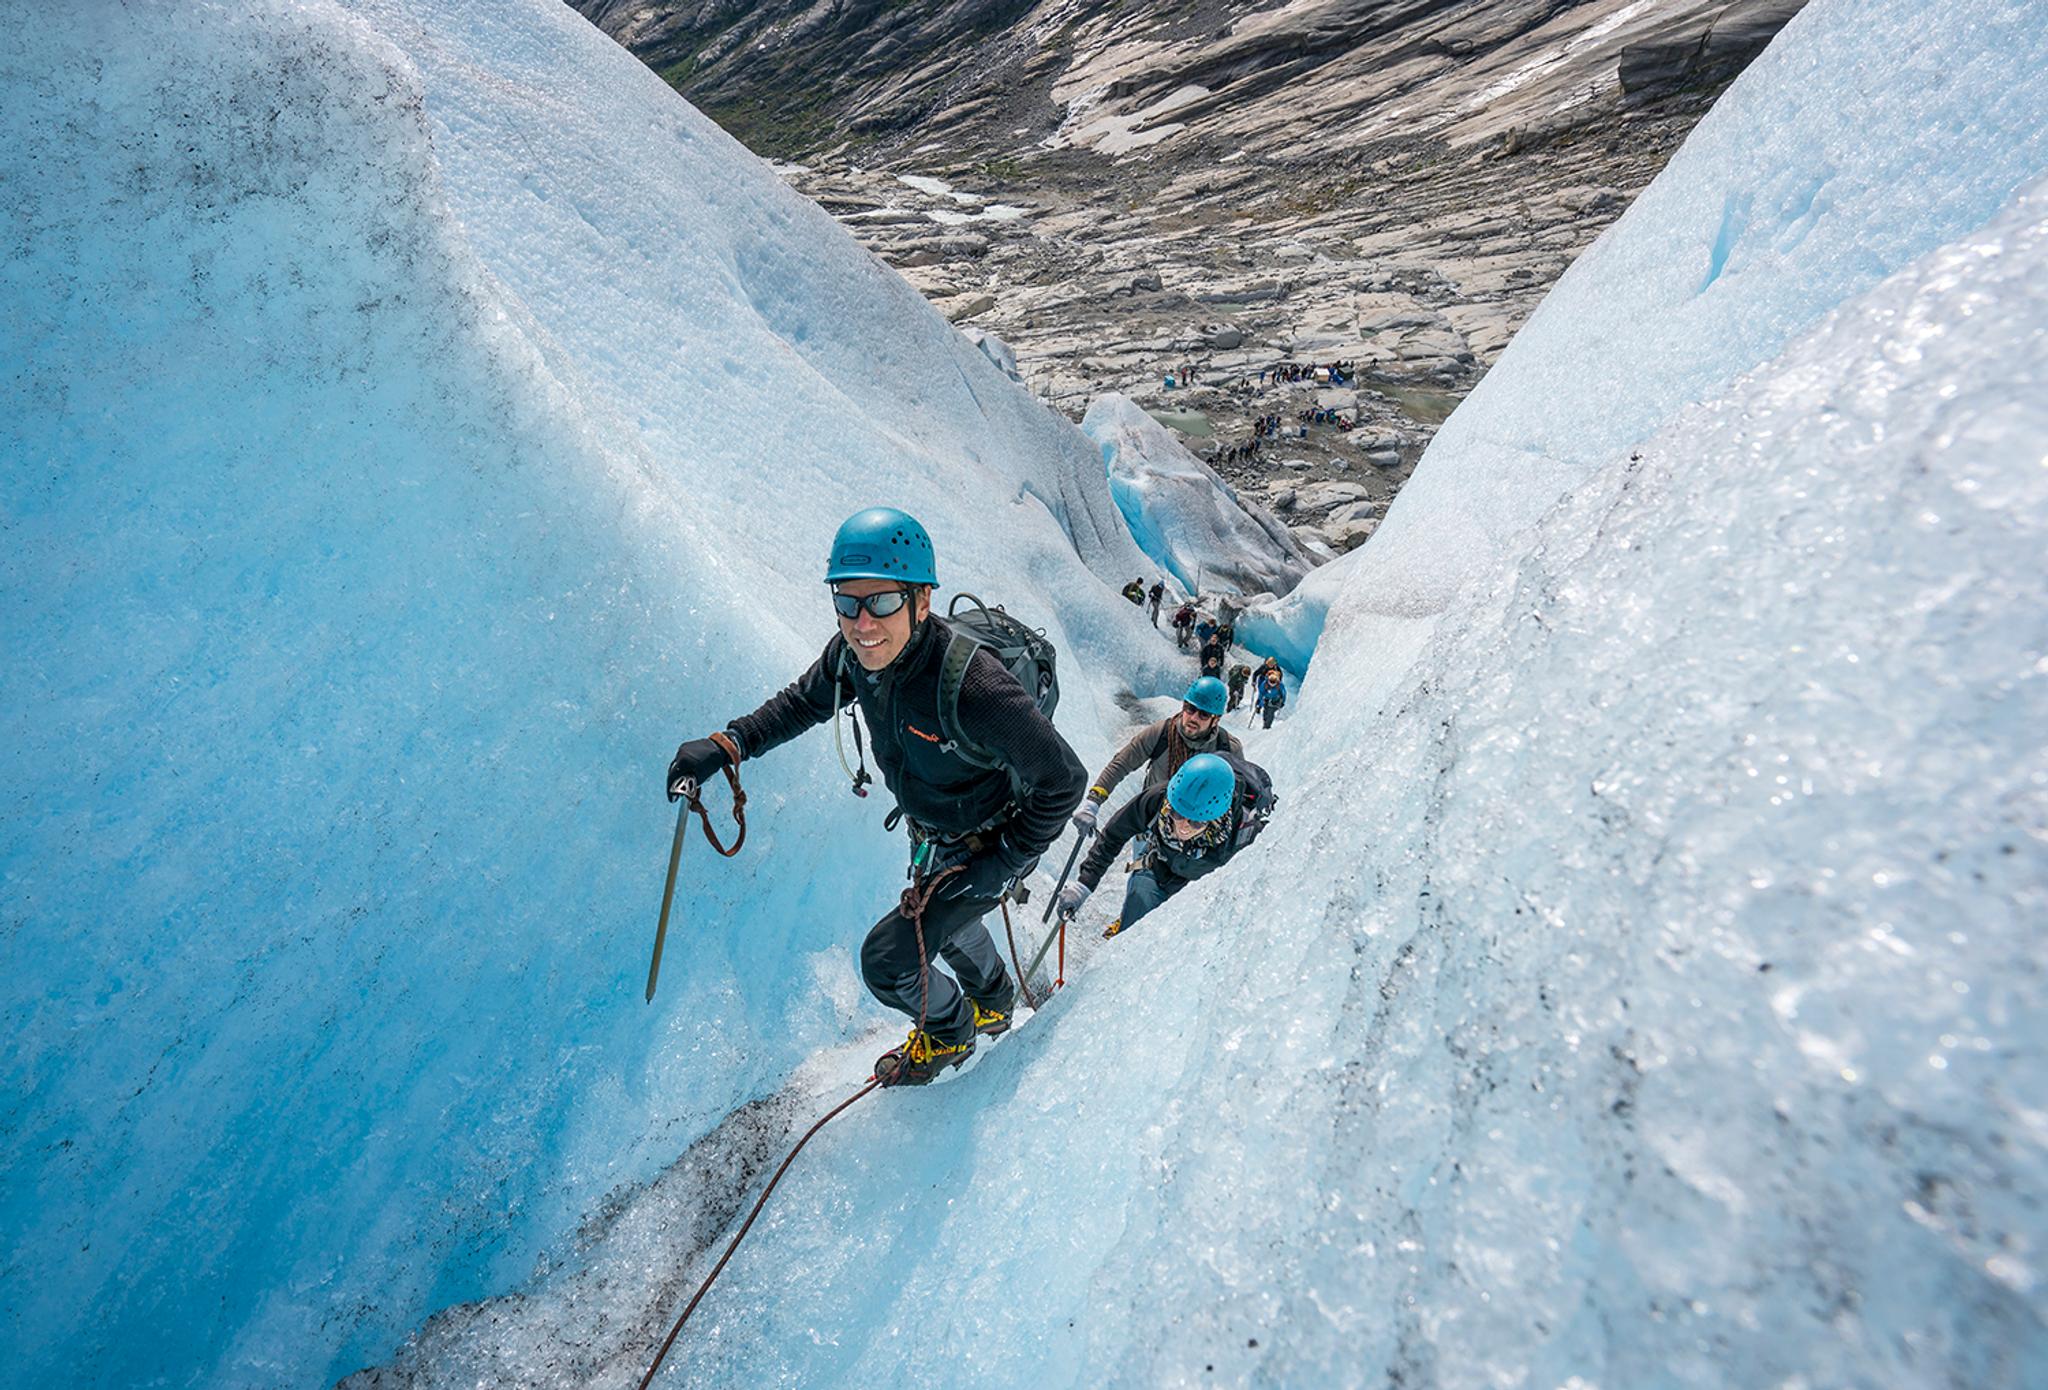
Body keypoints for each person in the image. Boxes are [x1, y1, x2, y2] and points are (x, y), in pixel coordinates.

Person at [665, 508, 1086, 1086]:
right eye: (848, 601)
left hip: (992, 838)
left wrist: (1003, 861)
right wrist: (729, 743)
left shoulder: (973, 685)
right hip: (936, 832)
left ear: (921, 600)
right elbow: (799, 704)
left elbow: (1064, 778)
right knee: (951, 922)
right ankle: (993, 999)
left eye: (883, 601)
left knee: (888, 963)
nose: (863, 623)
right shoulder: (852, 659)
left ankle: (950, 1032)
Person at [1057, 752, 1274, 938]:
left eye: (1196, 821)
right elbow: (1113, 835)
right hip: (1157, 868)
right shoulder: (1157, 800)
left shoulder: (1244, 833)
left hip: (1203, 894)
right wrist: (1084, 885)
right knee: (1132, 929)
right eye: (1177, 814)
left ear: (1216, 818)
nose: (1182, 827)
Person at [1069, 677, 1240, 838]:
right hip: (1153, 821)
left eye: (1203, 714)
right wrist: (1092, 803)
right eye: (1190, 708)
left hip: (1196, 833)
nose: (1193, 717)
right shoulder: (1162, 733)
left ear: (1215, 720)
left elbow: (1237, 796)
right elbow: (1122, 763)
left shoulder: (1227, 748)